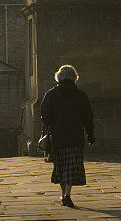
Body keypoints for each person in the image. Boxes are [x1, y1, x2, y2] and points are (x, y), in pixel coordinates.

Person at [40, 64, 94, 208]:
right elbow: (88, 117)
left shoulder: (51, 94)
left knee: (60, 167)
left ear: (59, 78)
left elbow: (45, 116)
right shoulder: (81, 95)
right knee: (71, 167)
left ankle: (64, 193)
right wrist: (90, 134)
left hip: (57, 137)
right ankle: (67, 194)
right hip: (75, 136)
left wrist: (51, 121)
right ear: (74, 78)